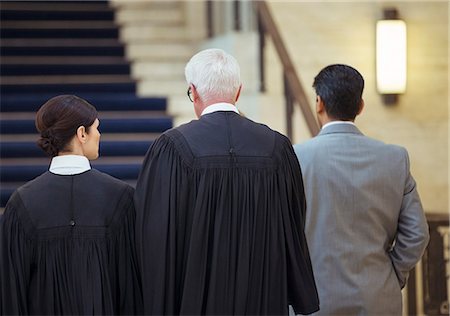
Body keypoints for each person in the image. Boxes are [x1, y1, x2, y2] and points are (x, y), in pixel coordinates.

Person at [134, 48, 319, 315]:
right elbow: (292, 222)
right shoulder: (277, 148)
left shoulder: (171, 148)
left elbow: (155, 233)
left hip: (194, 300)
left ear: (193, 92)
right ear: (239, 91)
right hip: (262, 295)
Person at [293, 64, 430, 315]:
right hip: (377, 299)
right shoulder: (395, 158)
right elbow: (417, 234)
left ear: (319, 104)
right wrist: (391, 275)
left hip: (311, 302)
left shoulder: (295, 159)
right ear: (360, 106)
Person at [0, 95, 142, 315]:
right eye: (96, 128)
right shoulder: (120, 198)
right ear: (82, 133)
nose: (100, 135)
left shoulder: (22, 203)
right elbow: (131, 291)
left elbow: (10, 293)